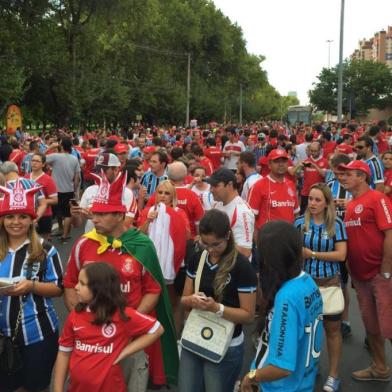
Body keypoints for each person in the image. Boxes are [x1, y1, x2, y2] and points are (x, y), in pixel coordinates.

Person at [63, 172, 178, 390]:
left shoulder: (141, 245)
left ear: (119, 215)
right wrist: (82, 322)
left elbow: (153, 290)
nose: (94, 219)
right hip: (90, 342)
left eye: (102, 214)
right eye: (94, 213)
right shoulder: (83, 244)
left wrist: (130, 326)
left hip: (128, 340)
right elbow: (69, 285)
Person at [53, 262, 164, 392]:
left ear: (99, 289)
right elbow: (64, 353)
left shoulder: (122, 315)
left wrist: (124, 352)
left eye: (82, 283)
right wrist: (58, 389)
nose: (76, 287)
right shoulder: (75, 316)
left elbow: (157, 329)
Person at [179, 209, 257, 392]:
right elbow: (183, 300)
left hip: (226, 344)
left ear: (228, 236)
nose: (211, 249)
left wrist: (217, 308)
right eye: (205, 244)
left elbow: (248, 315)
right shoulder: (197, 258)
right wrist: (191, 300)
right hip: (195, 336)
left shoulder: (242, 266)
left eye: (216, 244)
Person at [241, 221, 323, 392]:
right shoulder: (308, 281)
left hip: (282, 387)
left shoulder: (287, 297)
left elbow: (282, 367)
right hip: (304, 380)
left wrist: (251, 377)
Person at [0, 181, 63, 392]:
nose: (15, 222)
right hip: (2, 337)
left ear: (31, 219)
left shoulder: (46, 249)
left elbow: (58, 288)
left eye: (22, 216)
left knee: (34, 387)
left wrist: (31, 286)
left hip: (38, 335)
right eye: (10, 216)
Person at [339, 160, 392, 382]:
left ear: (362, 176)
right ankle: (380, 368)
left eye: (348, 174)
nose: (344, 178)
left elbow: (390, 233)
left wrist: (387, 269)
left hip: (380, 275)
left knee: (389, 325)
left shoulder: (377, 199)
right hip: (360, 278)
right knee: (371, 326)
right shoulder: (351, 205)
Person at [295, 183, 347, 392]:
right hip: (305, 285)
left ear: (327, 203)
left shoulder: (336, 223)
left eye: (318, 200)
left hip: (329, 283)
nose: (313, 203)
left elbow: (341, 255)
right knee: (306, 330)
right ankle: (311, 365)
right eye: (311, 199)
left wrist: (312, 254)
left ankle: (334, 375)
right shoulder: (299, 222)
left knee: (332, 330)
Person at [138, 180, 189, 335]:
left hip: (171, 266)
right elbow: (140, 235)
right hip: (150, 264)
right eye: (160, 192)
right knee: (150, 301)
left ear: (172, 196)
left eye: (167, 193)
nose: (163, 196)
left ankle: (174, 335)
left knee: (172, 301)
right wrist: (148, 220)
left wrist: (172, 217)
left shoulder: (179, 212)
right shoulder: (148, 211)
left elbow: (186, 235)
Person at [248, 149, 299, 235]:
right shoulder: (258, 186)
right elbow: (250, 218)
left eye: (284, 161)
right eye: (276, 161)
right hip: (268, 239)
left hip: (288, 238)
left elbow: (296, 213)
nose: (281, 164)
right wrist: (258, 244)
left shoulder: (291, 185)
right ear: (269, 165)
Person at [206, 168, 254, 258]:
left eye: (215, 186)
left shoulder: (242, 212)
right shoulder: (217, 203)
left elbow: (245, 251)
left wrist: (212, 245)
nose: (211, 190)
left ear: (229, 185)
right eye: (210, 186)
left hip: (233, 268)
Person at [45, 137, 81, 243]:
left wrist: (50, 147)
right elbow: (77, 177)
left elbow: (39, 158)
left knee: (57, 212)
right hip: (68, 189)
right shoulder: (74, 159)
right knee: (67, 213)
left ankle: (61, 229)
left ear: (61, 146)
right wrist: (75, 190)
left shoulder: (55, 156)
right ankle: (65, 234)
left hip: (55, 190)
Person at [26, 152, 58, 240]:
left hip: (44, 215)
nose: (34, 163)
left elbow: (55, 200)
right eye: (32, 160)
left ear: (43, 164)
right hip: (28, 215)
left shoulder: (48, 179)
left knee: (43, 245)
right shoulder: (26, 177)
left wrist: (39, 201)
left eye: (37, 161)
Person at [300, 141, 328, 213]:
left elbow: (324, 175)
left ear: (319, 150)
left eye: (315, 151)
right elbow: (300, 174)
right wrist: (299, 169)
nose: (313, 152)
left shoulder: (324, 161)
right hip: (306, 192)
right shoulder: (306, 161)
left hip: (319, 193)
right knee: (304, 214)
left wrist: (315, 166)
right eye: (311, 151)